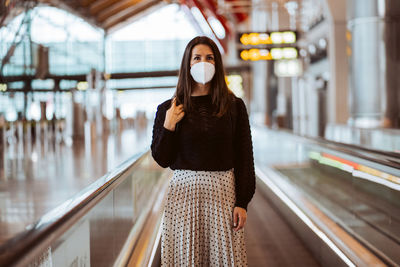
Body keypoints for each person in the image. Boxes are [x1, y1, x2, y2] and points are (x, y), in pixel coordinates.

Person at [151, 36, 256, 266]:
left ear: (217, 64)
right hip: (183, 198)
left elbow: (244, 157)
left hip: (223, 195)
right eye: (196, 58)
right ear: (187, 65)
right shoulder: (169, 109)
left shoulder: (233, 106)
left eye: (209, 58)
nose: (203, 63)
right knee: (185, 258)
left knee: (224, 258)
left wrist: (243, 201)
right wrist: (168, 126)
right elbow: (161, 158)